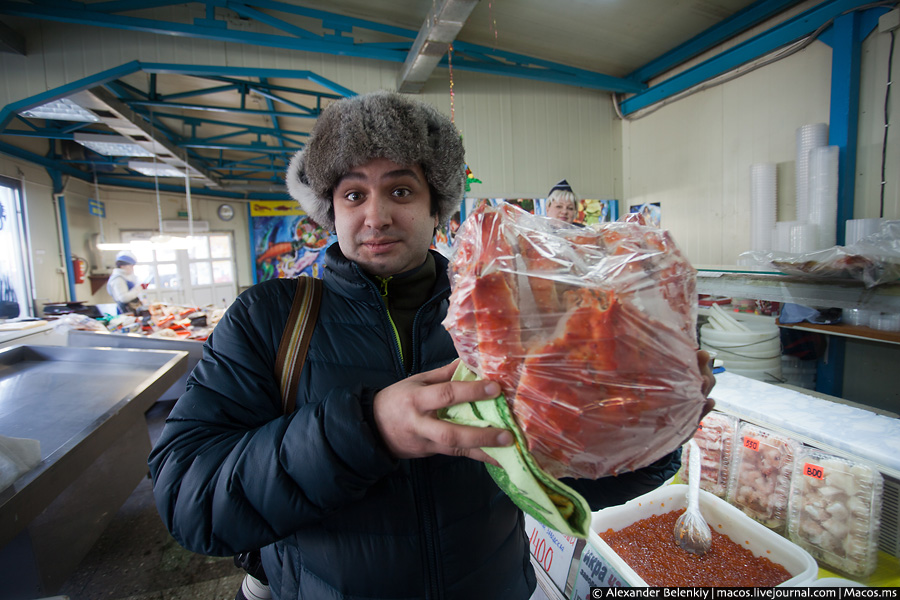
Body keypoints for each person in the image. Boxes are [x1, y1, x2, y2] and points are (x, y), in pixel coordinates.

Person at [148, 91, 715, 600]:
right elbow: (190, 501)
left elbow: (571, 478)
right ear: (330, 210)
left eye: (400, 189)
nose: (376, 215)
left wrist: (654, 423)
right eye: (353, 194)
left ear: (435, 205)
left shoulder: (509, 308)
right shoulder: (271, 318)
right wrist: (367, 431)